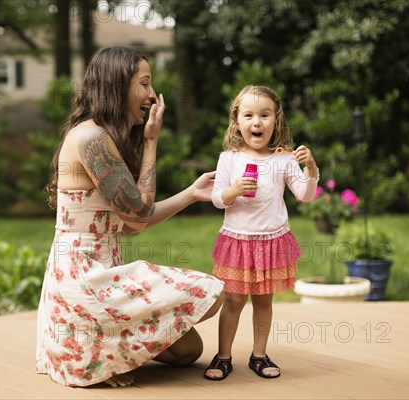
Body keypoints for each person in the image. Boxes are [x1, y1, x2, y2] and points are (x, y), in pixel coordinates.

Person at [36, 47, 225, 388]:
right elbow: (139, 216)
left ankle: (110, 349)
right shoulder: (91, 138)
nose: (152, 95)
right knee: (210, 296)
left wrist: (191, 193)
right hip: (84, 281)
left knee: (188, 350)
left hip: (105, 276)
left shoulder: (101, 136)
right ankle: (101, 355)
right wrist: (151, 143)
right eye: (144, 84)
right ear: (116, 86)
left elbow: (132, 225)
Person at [203, 85, 319, 381]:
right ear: (237, 122)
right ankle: (224, 356)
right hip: (238, 240)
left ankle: (259, 355)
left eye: (265, 115)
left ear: (275, 121)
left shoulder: (284, 159)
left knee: (264, 300)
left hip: (271, 241)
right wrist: (233, 190)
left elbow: (305, 195)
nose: (257, 122)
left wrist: (311, 169)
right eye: (249, 115)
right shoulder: (229, 159)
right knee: (233, 301)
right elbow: (218, 199)